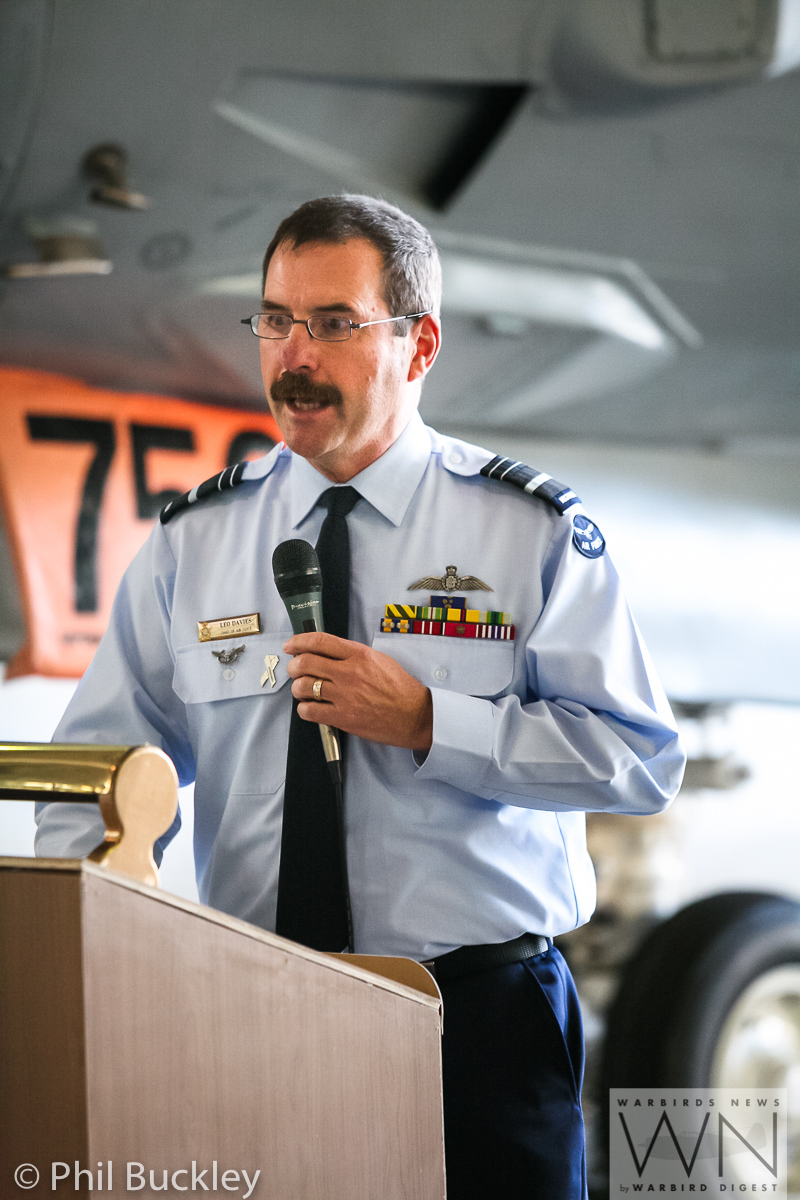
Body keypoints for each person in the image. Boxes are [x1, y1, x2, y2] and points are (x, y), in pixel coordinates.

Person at [36, 194, 685, 1199]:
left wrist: (432, 722)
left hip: (474, 1021)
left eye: (334, 324)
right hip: (247, 1006)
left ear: (417, 346)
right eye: (274, 319)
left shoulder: (529, 532)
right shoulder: (194, 544)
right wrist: (79, 956)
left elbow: (640, 761)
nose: (293, 355)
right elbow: (101, 772)